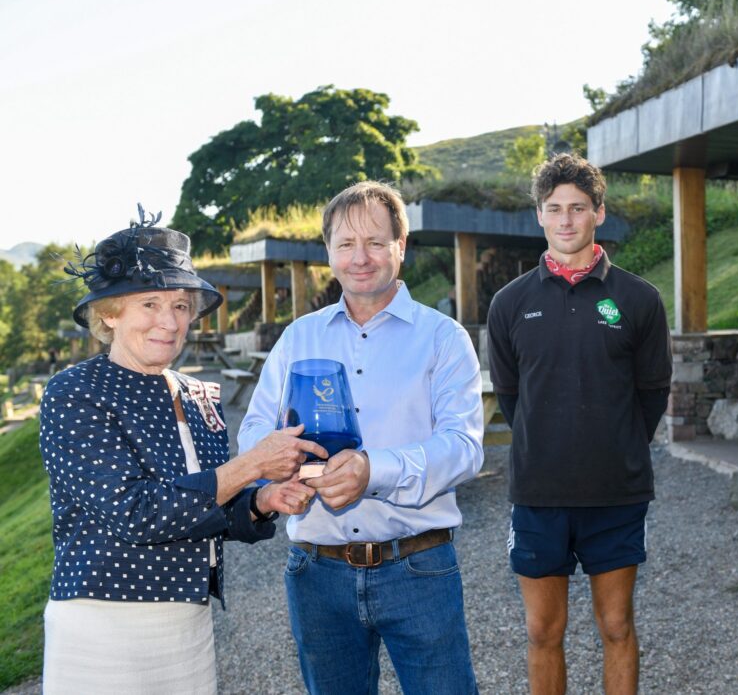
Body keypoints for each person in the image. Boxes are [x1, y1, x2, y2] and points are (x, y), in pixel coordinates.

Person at [39, 206, 323, 693]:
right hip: (103, 624)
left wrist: (260, 500)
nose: (168, 321)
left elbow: (204, 507)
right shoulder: (75, 392)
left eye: (180, 306)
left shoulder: (198, 394)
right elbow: (135, 513)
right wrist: (251, 465)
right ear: (109, 313)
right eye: (150, 304)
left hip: (188, 626)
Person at [238, 181, 484, 694]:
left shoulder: (443, 338)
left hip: (419, 567)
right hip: (316, 573)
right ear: (329, 251)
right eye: (346, 244)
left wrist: (374, 470)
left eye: (375, 242)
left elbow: (463, 448)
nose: (360, 258)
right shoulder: (298, 337)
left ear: (401, 245)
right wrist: (283, 468)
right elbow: (255, 429)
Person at [487, 153, 672, 695]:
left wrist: (615, 445)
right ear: (539, 216)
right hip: (539, 494)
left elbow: (652, 391)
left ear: (599, 213)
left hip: (616, 494)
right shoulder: (510, 303)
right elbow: (511, 396)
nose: (566, 219)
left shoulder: (639, 299)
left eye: (578, 208)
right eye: (554, 208)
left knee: (616, 626)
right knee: (543, 631)